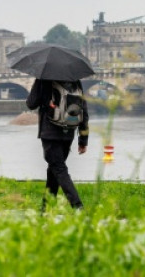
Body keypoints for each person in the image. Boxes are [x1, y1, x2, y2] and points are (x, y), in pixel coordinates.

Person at [26, 78, 89, 210]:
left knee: (59, 169)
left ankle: (77, 206)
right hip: (69, 132)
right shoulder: (75, 80)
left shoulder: (44, 78)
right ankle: (45, 208)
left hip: (50, 132)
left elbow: (31, 104)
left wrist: (37, 85)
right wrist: (83, 139)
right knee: (54, 170)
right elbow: (83, 110)